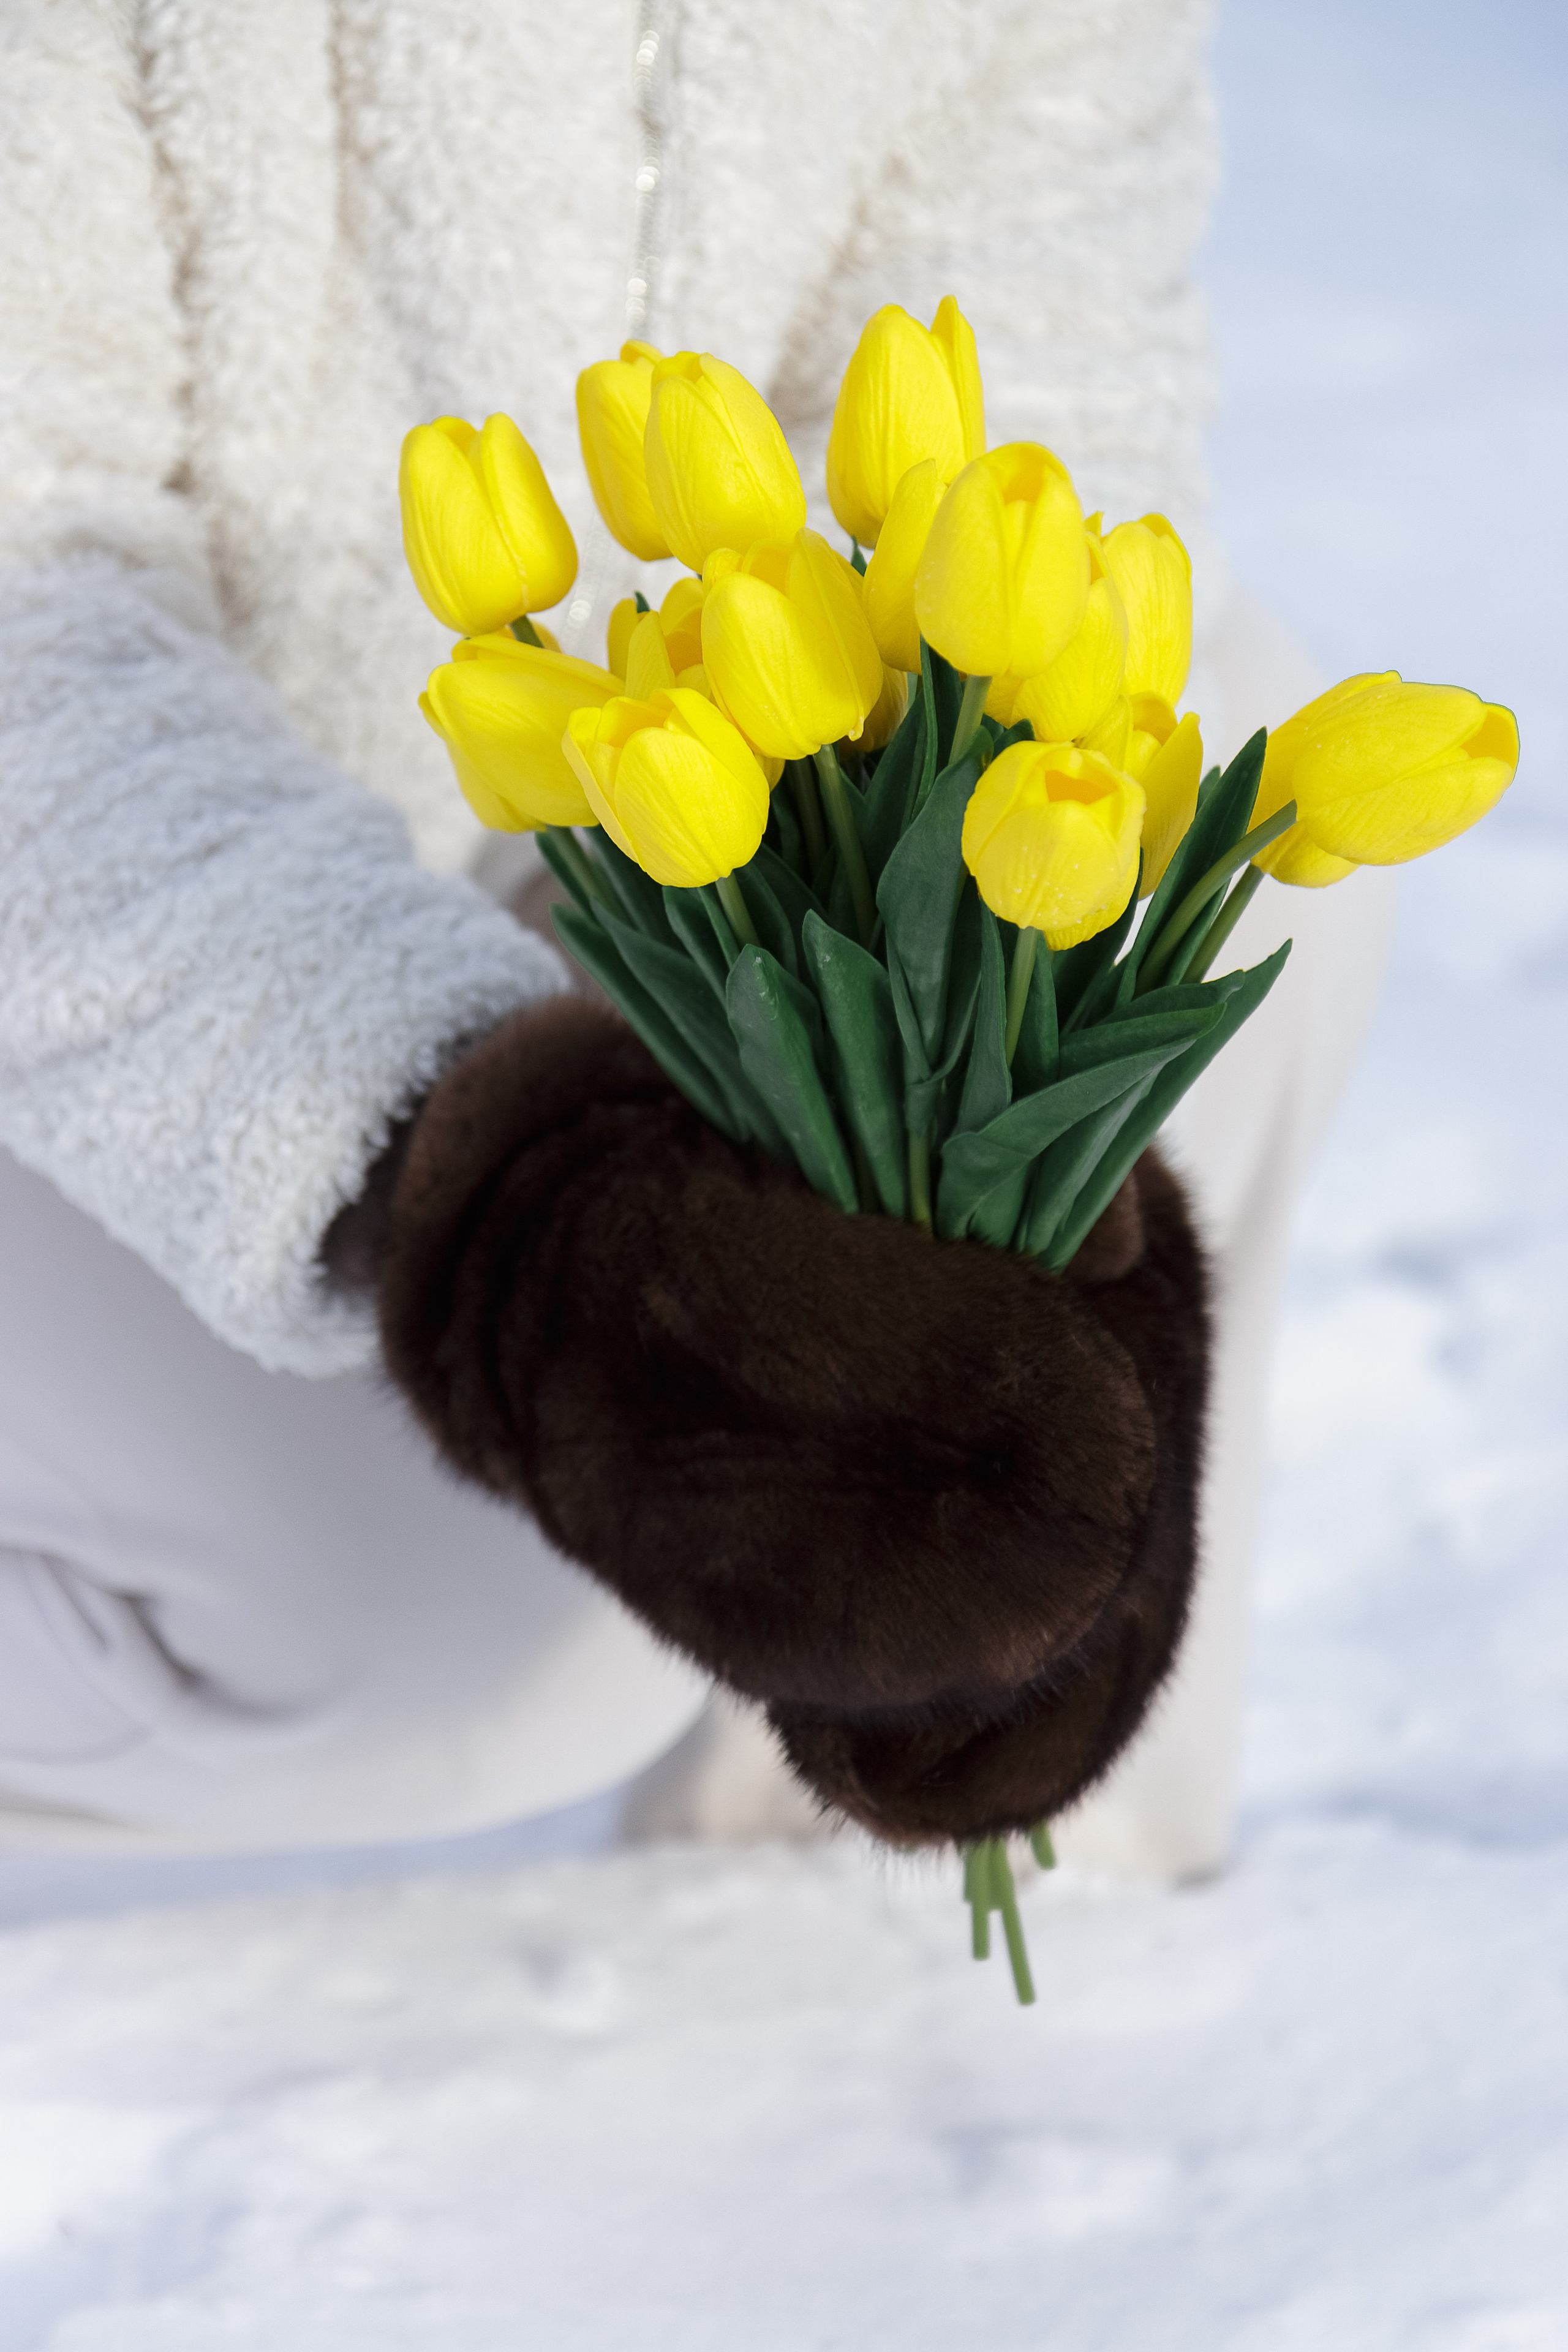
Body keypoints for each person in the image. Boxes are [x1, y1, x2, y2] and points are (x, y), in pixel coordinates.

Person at [0, 0, 1389, 1865]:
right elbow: (25, 608)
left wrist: (1018, 1190)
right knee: (476, 1663)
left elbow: (1035, 462)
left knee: (1212, 759)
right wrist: (515, 1210)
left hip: (549, 814)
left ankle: (888, 1857)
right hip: (89, 872)